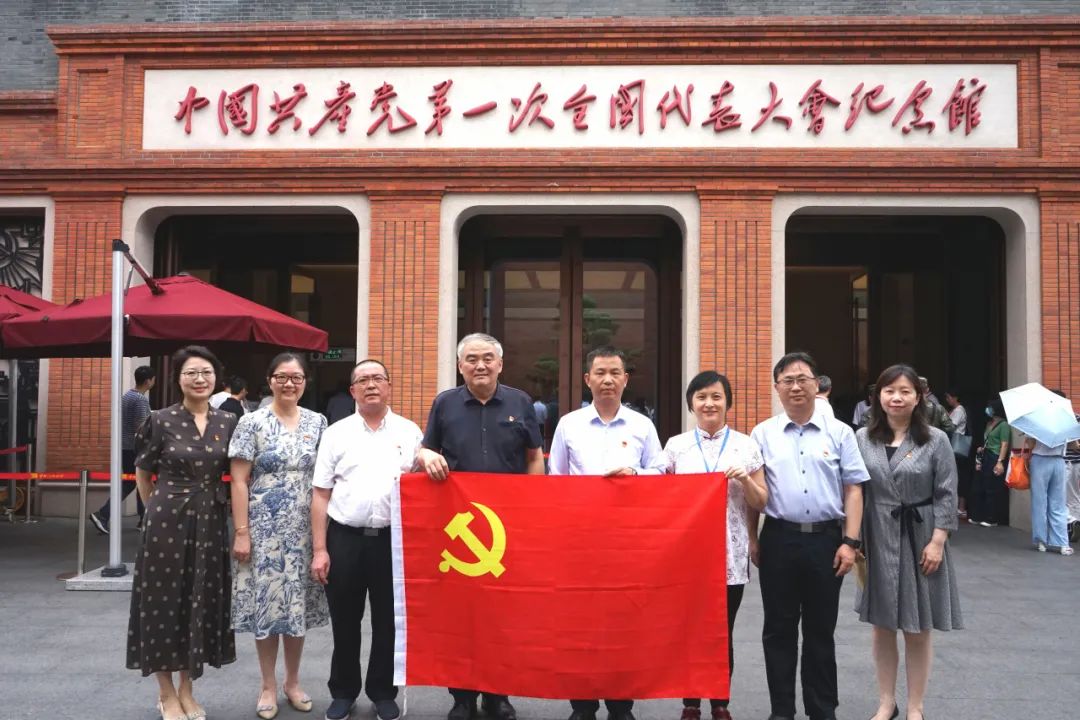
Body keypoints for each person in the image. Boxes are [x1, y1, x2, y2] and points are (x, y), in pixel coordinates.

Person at [417, 332, 544, 720]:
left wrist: (533, 506)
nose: (480, 365)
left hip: (508, 525)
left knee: (503, 614)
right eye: (471, 359)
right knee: (461, 614)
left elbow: (534, 456)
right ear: (460, 366)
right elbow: (428, 447)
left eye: (488, 358)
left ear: (500, 364)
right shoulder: (445, 403)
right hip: (461, 527)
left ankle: (498, 694)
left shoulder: (521, 403)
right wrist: (425, 455)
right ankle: (462, 697)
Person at [547, 346, 668, 720]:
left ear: (625, 379)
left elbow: (661, 473)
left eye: (615, 373)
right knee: (579, 623)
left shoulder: (641, 426)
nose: (608, 380)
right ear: (588, 379)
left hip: (627, 542)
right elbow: (556, 478)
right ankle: (582, 703)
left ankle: (620, 703)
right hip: (580, 541)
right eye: (600, 373)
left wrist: (635, 475)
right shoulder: (569, 424)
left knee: (622, 622)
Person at [747, 351, 869, 720]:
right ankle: (781, 711)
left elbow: (854, 489)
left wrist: (850, 543)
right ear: (777, 388)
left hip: (825, 542)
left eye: (803, 379)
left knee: (820, 631)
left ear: (817, 385)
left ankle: (822, 710)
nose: (796, 386)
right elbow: (755, 493)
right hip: (779, 539)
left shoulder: (840, 432)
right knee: (778, 630)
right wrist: (753, 538)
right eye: (788, 380)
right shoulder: (763, 433)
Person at [127, 346, 239, 720]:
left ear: (216, 378)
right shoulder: (160, 420)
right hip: (166, 523)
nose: (199, 379)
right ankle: (166, 693)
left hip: (211, 521)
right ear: (178, 379)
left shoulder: (227, 421)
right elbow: (143, 474)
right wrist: (156, 513)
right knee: (162, 602)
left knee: (200, 600)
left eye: (206, 372)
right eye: (191, 372)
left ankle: (188, 690)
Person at [312, 359, 421, 720]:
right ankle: (343, 692)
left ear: (389, 386)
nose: (371, 385)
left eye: (377, 379)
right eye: (363, 380)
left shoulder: (409, 432)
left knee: (389, 622)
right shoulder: (336, 433)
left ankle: (383, 692)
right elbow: (321, 494)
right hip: (345, 538)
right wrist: (320, 549)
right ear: (352, 391)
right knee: (344, 620)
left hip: (393, 541)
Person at [855, 364, 963, 720]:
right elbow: (854, 490)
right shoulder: (862, 438)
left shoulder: (935, 439)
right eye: (889, 391)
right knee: (882, 625)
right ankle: (886, 701)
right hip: (878, 535)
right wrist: (853, 539)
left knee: (918, 627)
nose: (896, 398)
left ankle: (916, 705)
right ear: (878, 397)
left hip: (921, 535)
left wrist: (938, 540)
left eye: (905, 391)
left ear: (919, 397)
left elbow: (946, 492)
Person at [228, 353, 330, 719]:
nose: (289, 383)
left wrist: (322, 541)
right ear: (270, 380)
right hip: (264, 531)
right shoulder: (251, 422)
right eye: (282, 377)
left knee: (296, 606)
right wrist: (242, 532)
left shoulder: (318, 422)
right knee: (268, 608)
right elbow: (239, 480)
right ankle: (268, 685)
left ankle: (293, 682)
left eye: (296, 377)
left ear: (305, 382)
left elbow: (325, 479)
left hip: (306, 529)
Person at [662, 371, 768, 720]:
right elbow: (657, 493)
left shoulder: (746, 446)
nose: (709, 403)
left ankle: (720, 701)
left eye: (716, 397)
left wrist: (745, 480)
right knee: (689, 630)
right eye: (701, 397)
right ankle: (691, 702)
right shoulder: (676, 446)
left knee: (722, 631)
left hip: (730, 555)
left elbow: (762, 501)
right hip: (686, 556)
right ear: (691, 404)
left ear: (727, 403)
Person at [90, 364, 155, 534]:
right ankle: (103, 514)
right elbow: (141, 427)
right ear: (148, 381)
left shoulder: (127, 396)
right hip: (136, 448)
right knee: (132, 482)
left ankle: (143, 519)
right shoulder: (140, 400)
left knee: (139, 481)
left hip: (125, 446)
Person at [1024, 389, 1075, 555]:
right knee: (1058, 503)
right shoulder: (1067, 418)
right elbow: (1074, 444)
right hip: (1059, 461)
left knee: (1040, 502)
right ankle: (1062, 543)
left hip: (1040, 461)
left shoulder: (1038, 417)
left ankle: (1041, 541)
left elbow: (1031, 444)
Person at [970, 397, 1010, 527]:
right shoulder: (989, 424)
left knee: (992, 487)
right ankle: (979, 515)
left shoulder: (1004, 425)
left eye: (991, 408)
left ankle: (992, 518)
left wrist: (1000, 461)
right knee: (980, 486)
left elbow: (1004, 444)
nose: (988, 410)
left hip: (995, 457)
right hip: (986, 455)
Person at [942, 389, 971, 520]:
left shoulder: (959, 410)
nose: (947, 400)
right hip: (955, 444)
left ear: (955, 398)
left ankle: (960, 507)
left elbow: (950, 426)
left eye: (949, 397)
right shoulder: (956, 410)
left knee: (958, 475)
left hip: (956, 444)